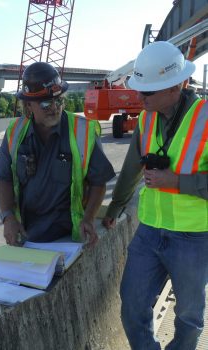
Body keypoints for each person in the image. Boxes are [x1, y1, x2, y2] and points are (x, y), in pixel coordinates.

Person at [102, 41, 208, 350]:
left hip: (194, 236)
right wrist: (115, 208)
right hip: (149, 232)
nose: (139, 96)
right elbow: (132, 167)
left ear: (176, 86)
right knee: (132, 307)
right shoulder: (147, 118)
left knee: (189, 316)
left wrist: (175, 181)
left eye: (147, 92)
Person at [0, 61, 115, 247]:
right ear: (28, 105)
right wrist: (8, 217)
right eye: (45, 103)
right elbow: (4, 178)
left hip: (69, 237)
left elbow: (99, 182)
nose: (54, 107)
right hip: (26, 235)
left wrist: (89, 218)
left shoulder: (83, 131)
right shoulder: (14, 132)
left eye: (59, 100)